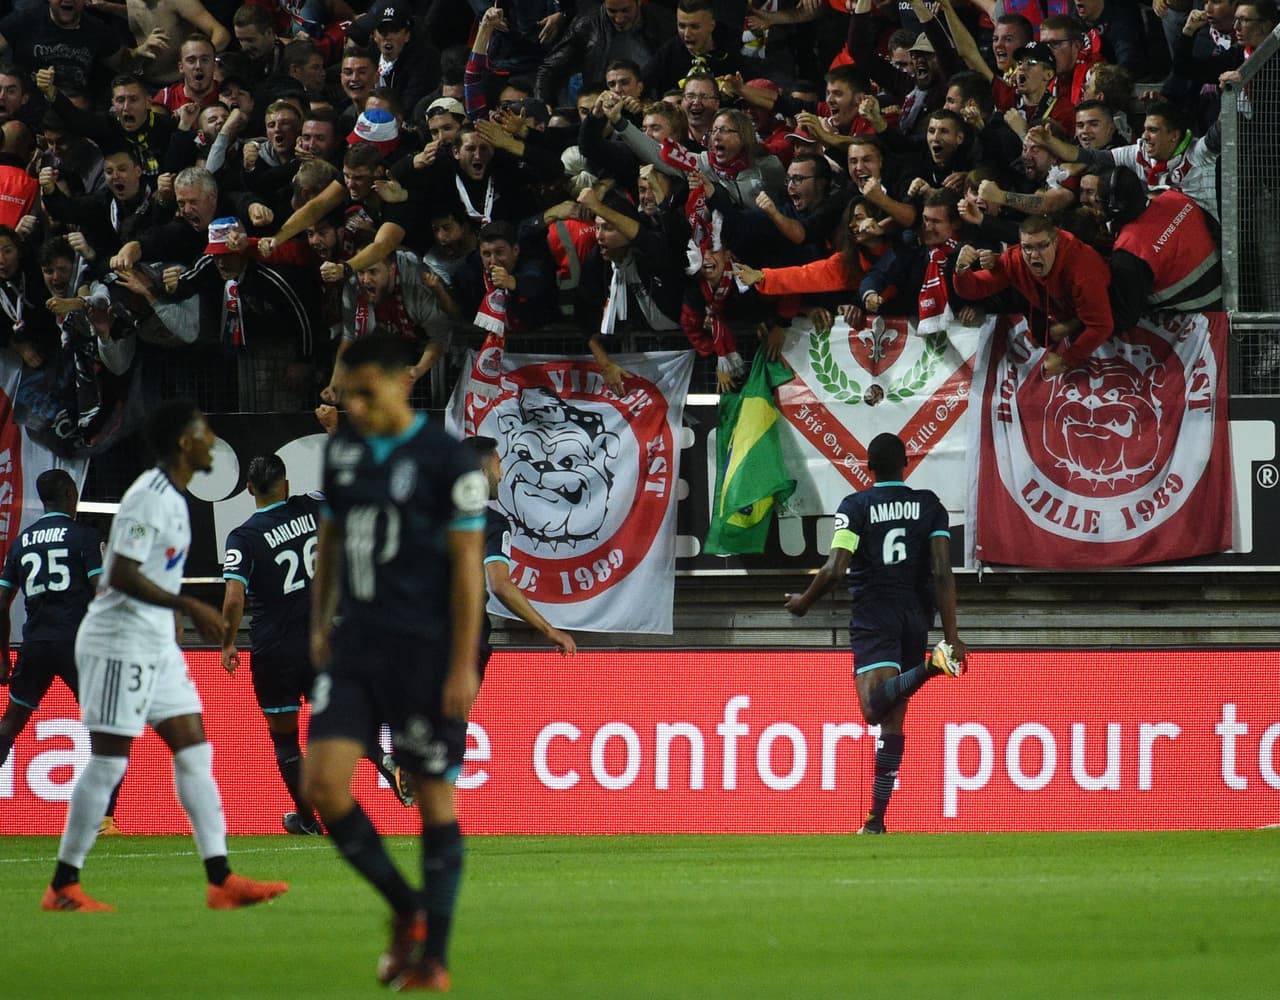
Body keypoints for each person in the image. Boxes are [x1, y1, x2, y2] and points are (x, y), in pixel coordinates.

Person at [42, 399, 289, 912]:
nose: (210, 437)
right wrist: (190, 605)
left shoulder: (175, 498)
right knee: (109, 761)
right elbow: (124, 574)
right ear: (183, 442)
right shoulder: (148, 497)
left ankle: (220, 879)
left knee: (195, 749)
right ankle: (63, 884)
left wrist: (174, 632)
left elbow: (158, 573)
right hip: (116, 641)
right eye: (202, 430)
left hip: (155, 643)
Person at [303, 334, 488, 991]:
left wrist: (463, 664)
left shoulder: (446, 460)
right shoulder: (344, 452)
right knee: (321, 786)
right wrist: (320, 619)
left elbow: (469, 569)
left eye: (364, 392)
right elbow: (329, 537)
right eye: (347, 394)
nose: (354, 405)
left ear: (399, 382)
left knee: (433, 798)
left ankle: (433, 956)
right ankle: (406, 908)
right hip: (356, 645)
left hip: (424, 651)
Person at [783, 432, 965, 835]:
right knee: (893, 717)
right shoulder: (929, 506)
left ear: (868, 468)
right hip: (917, 613)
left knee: (872, 709)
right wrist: (951, 634)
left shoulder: (856, 506)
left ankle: (933, 668)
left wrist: (804, 602)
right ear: (906, 464)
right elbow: (941, 571)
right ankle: (877, 819)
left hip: (875, 613)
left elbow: (835, 568)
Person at [0, 470, 124, 834]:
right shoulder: (85, 537)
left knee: (11, 722)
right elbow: (101, 591)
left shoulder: (22, 542)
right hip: (78, 643)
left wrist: (2, 654)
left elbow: (2, 600)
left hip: (36, 643)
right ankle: (103, 818)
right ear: (70, 493)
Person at [221, 454, 325, 836]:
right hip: (320, 641)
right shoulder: (312, 507)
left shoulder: (243, 537)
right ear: (286, 484)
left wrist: (228, 643)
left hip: (273, 651)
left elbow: (234, 599)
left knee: (286, 743)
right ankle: (384, 758)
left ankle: (310, 821)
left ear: (249, 489)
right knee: (340, 718)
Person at [463, 436, 576, 669]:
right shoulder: (489, 523)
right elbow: (500, 584)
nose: (502, 475)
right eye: (499, 464)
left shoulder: (426, 511)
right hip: (463, 641)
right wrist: (549, 629)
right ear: (483, 471)